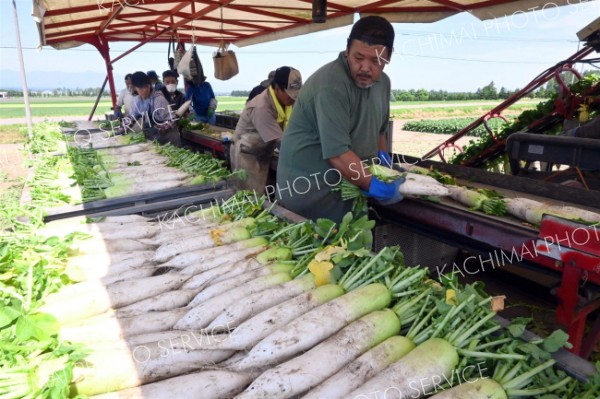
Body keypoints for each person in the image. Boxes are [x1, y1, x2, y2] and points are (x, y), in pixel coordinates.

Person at [275, 16, 404, 223]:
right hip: (310, 192)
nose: (365, 68)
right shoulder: (331, 85)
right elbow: (338, 154)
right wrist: (373, 184)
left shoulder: (383, 84)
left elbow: (380, 131)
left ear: (389, 57)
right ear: (347, 50)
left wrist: (384, 162)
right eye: (358, 57)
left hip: (350, 184)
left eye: (376, 61)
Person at [231, 67, 302, 193]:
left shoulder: (287, 102)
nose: (293, 99)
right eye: (290, 95)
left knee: (262, 191)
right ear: (277, 88)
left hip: (264, 149)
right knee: (250, 196)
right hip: (247, 153)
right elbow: (282, 143)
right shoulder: (261, 107)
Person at [129, 71, 178, 144]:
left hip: (168, 141)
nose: (145, 90)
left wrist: (160, 128)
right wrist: (121, 129)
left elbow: (173, 120)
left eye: (146, 86)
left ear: (150, 85)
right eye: (141, 88)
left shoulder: (158, 99)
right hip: (154, 141)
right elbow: (131, 118)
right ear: (135, 88)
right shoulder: (138, 101)